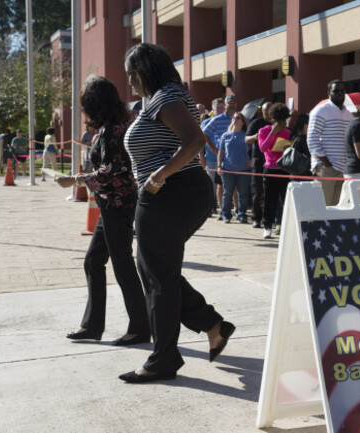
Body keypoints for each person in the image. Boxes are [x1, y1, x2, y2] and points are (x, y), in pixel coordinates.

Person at [121, 43, 234, 383]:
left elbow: (195, 141)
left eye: (131, 74)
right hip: (174, 193)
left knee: (159, 278)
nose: (129, 82)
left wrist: (157, 177)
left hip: (170, 193)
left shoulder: (166, 96)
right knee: (155, 271)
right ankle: (212, 325)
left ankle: (164, 359)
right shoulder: (163, 97)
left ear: (144, 71)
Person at [55, 76, 150, 347]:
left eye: (85, 104)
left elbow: (110, 171)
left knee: (122, 266)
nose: (83, 111)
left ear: (95, 104)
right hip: (112, 204)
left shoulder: (114, 131)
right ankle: (92, 325)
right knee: (94, 261)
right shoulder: (112, 127)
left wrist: (75, 180)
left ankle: (139, 328)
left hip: (118, 205)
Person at [307, 79, 354, 206]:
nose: (340, 93)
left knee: (337, 209)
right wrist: (326, 163)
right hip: (326, 168)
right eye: (336, 91)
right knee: (323, 207)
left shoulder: (349, 115)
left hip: (343, 168)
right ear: (329, 93)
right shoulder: (320, 111)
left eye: (342, 91)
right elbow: (312, 139)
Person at [258, 103, 292, 239]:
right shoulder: (264, 131)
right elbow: (262, 148)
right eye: (280, 121)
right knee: (269, 200)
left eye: (284, 121)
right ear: (273, 119)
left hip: (284, 169)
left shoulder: (288, 132)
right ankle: (267, 226)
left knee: (286, 199)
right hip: (270, 169)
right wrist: (273, 132)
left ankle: (286, 226)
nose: (282, 124)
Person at [217, 112, 251, 223]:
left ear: (242, 121)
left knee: (243, 194)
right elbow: (221, 152)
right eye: (234, 118)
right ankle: (226, 214)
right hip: (228, 169)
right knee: (227, 193)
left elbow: (254, 149)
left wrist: (251, 159)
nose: (235, 119)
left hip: (244, 170)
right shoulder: (225, 135)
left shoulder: (246, 135)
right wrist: (219, 166)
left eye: (238, 118)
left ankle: (241, 214)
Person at [245, 101, 272, 228]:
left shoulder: (277, 122)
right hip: (258, 159)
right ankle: (256, 218)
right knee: (257, 190)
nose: (267, 115)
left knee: (271, 191)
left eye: (270, 112)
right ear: (262, 112)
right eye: (265, 112)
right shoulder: (257, 123)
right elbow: (246, 139)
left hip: (273, 161)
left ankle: (271, 219)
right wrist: (257, 136)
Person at [289, 113, 312, 178]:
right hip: (302, 175)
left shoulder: (296, 137)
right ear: (305, 126)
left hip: (296, 173)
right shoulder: (303, 140)